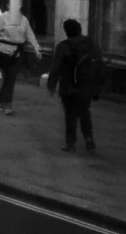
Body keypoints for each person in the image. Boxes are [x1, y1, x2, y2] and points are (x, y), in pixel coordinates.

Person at [42, 18, 103, 153]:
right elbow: (100, 64)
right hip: (86, 86)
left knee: (70, 115)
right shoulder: (91, 43)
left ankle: (70, 144)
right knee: (84, 112)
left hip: (68, 87)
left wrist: (51, 85)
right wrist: (98, 86)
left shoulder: (63, 46)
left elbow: (56, 68)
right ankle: (89, 139)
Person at [0, 0, 40, 115]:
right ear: (8, 6)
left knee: (10, 78)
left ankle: (6, 103)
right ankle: (4, 102)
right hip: (2, 52)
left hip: (17, 53)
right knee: (8, 78)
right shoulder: (2, 19)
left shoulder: (23, 20)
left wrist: (36, 47)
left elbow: (29, 34)